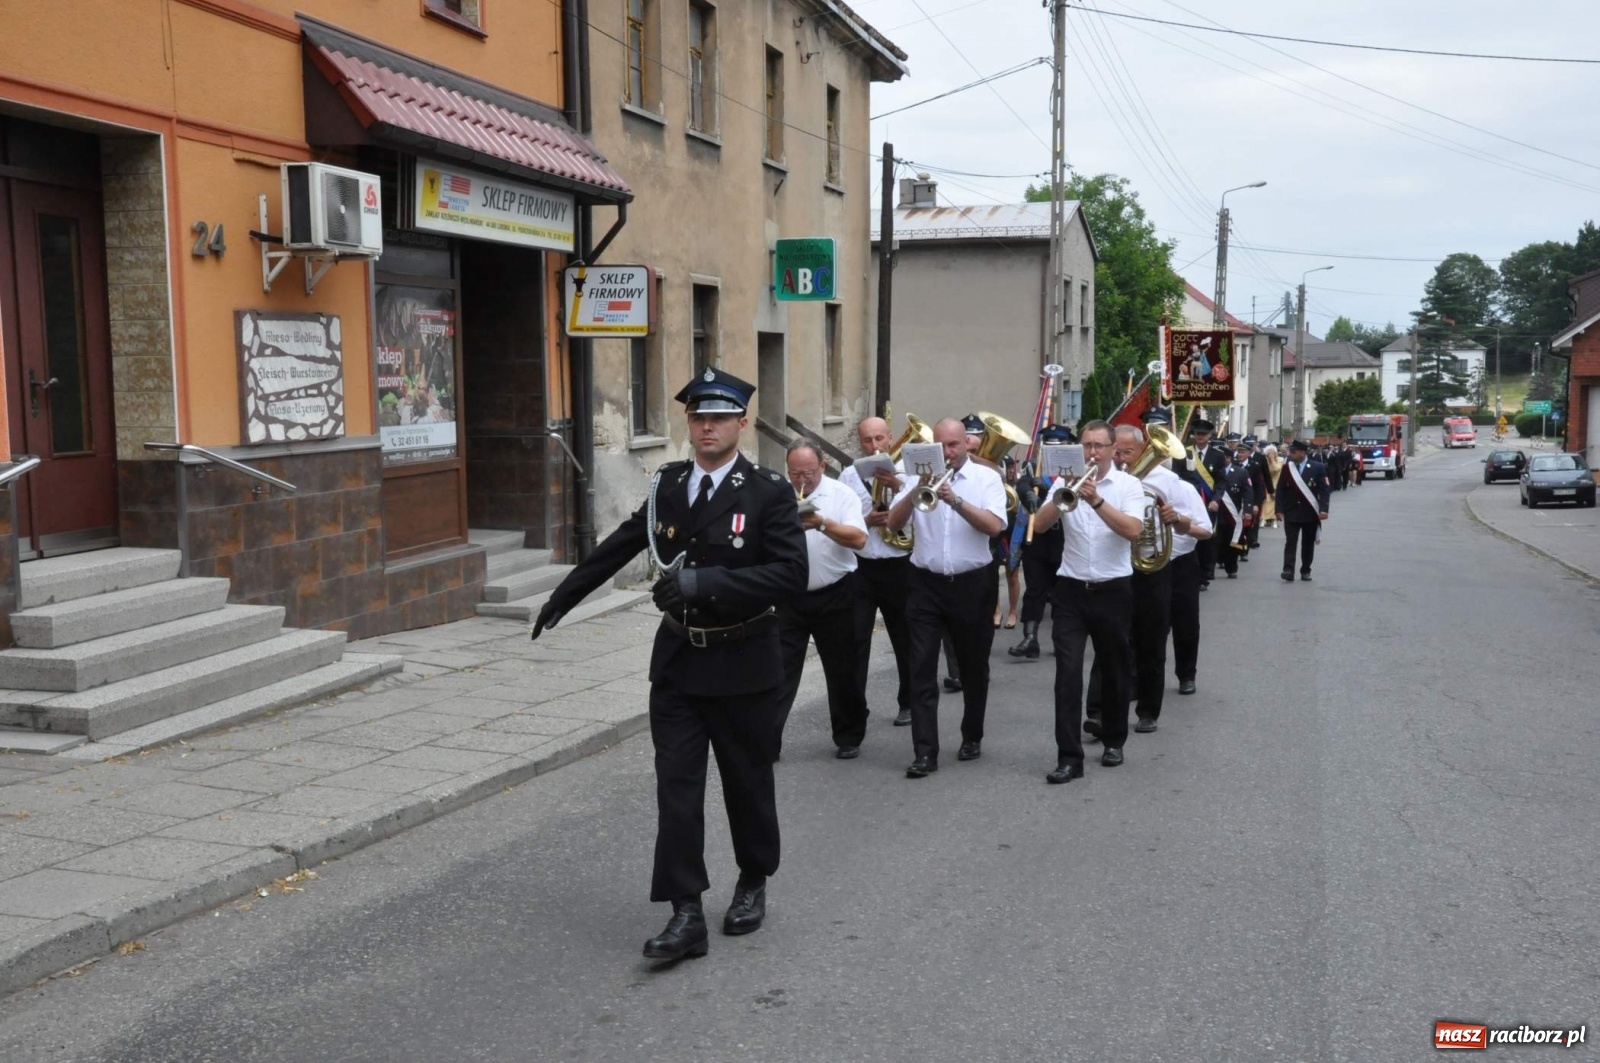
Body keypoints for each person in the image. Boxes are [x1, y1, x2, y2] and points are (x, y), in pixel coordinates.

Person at [530, 368, 807, 963]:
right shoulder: (669, 485)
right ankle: (686, 911)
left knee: (747, 786)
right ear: (690, 423)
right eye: (698, 417)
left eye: (720, 418)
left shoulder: (767, 492)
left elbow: (790, 575)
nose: (707, 427)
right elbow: (624, 542)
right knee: (676, 790)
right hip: (681, 662)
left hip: (744, 664)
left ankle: (753, 880)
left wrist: (705, 580)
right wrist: (563, 596)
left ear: (739, 424)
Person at [885, 418, 1008, 778]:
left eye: (955, 445)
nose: (949, 452)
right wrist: (915, 490)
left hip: (973, 583)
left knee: (973, 668)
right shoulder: (914, 477)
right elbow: (892, 524)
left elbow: (994, 526)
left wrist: (955, 501)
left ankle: (972, 734)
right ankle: (925, 752)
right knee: (921, 667)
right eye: (942, 446)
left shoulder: (986, 479)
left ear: (966, 446)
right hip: (925, 584)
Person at [1030, 419, 1145, 783]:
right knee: (1067, 674)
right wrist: (1064, 495)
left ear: (1113, 449)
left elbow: (1132, 530)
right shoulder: (1065, 483)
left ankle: (1114, 739)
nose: (1092, 453)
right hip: (1070, 590)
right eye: (1087, 446)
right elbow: (1040, 526)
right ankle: (1069, 758)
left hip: (1114, 588)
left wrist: (1096, 500)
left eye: (1099, 446)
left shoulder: (1129, 485)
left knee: (1113, 669)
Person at [1113, 419, 1212, 731]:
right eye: (1117, 452)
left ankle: (1186, 674)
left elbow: (1205, 530)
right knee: (1129, 632)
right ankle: (1129, 686)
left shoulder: (1175, 484)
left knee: (1182, 622)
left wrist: (1178, 520)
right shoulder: (1113, 481)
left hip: (1177, 562)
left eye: (1128, 452)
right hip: (1133, 564)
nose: (1122, 459)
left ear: (1143, 449)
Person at [774, 440, 869, 759]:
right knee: (778, 672)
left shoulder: (841, 494)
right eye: (794, 473)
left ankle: (849, 736)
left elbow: (859, 539)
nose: (801, 480)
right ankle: (767, 741)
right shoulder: (778, 495)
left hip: (836, 593)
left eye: (808, 473)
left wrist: (822, 524)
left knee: (844, 670)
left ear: (823, 467)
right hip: (789, 596)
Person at [840, 417, 916, 728]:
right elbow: (841, 521)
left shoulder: (908, 474)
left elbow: (923, 518)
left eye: (879, 439)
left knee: (905, 638)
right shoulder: (848, 476)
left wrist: (898, 488)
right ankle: (855, 713)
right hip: (861, 567)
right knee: (855, 642)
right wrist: (867, 520)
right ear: (860, 442)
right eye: (867, 440)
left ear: (891, 438)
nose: (874, 446)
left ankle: (909, 703)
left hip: (900, 564)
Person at [1008, 423, 1073, 660]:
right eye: (1048, 447)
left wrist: (1046, 490)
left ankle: (1062, 639)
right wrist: (1027, 493)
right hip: (1037, 536)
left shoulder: (1072, 471)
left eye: (1058, 447)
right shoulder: (1034, 468)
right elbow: (1023, 483)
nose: (1052, 453)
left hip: (1064, 538)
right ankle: (1030, 638)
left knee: (1061, 591)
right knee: (1035, 588)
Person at [1276, 439, 1332, 582]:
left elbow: (1324, 490)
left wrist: (1324, 509)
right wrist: (1278, 509)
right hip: (1291, 511)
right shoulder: (1287, 468)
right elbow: (1281, 489)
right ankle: (1288, 570)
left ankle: (1306, 569)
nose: (1291, 455)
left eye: (1293, 452)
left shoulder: (1317, 467)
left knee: (1307, 543)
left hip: (1309, 513)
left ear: (1302, 453)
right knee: (1290, 542)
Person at [1186, 418, 1228, 589]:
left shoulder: (1217, 456)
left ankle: (1204, 575)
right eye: (1198, 434)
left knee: (1206, 539)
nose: (1200, 437)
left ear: (1210, 435)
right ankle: (1192, 575)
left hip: (1209, 503)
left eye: (1204, 434)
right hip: (1189, 502)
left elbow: (1221, 481)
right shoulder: (1185, 453)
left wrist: (1216, 500)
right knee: (1190, 539)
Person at [1212, 440, 1254, 579]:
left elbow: (1247, 492)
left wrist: (1247, 510)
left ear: (1228, 458)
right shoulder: (1213, 471)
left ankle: (1231, 568)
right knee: (1214, 541)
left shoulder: (1241, 472)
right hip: (1216, 512)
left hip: (1233, 514)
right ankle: (1210, 569)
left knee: (1232, 541)